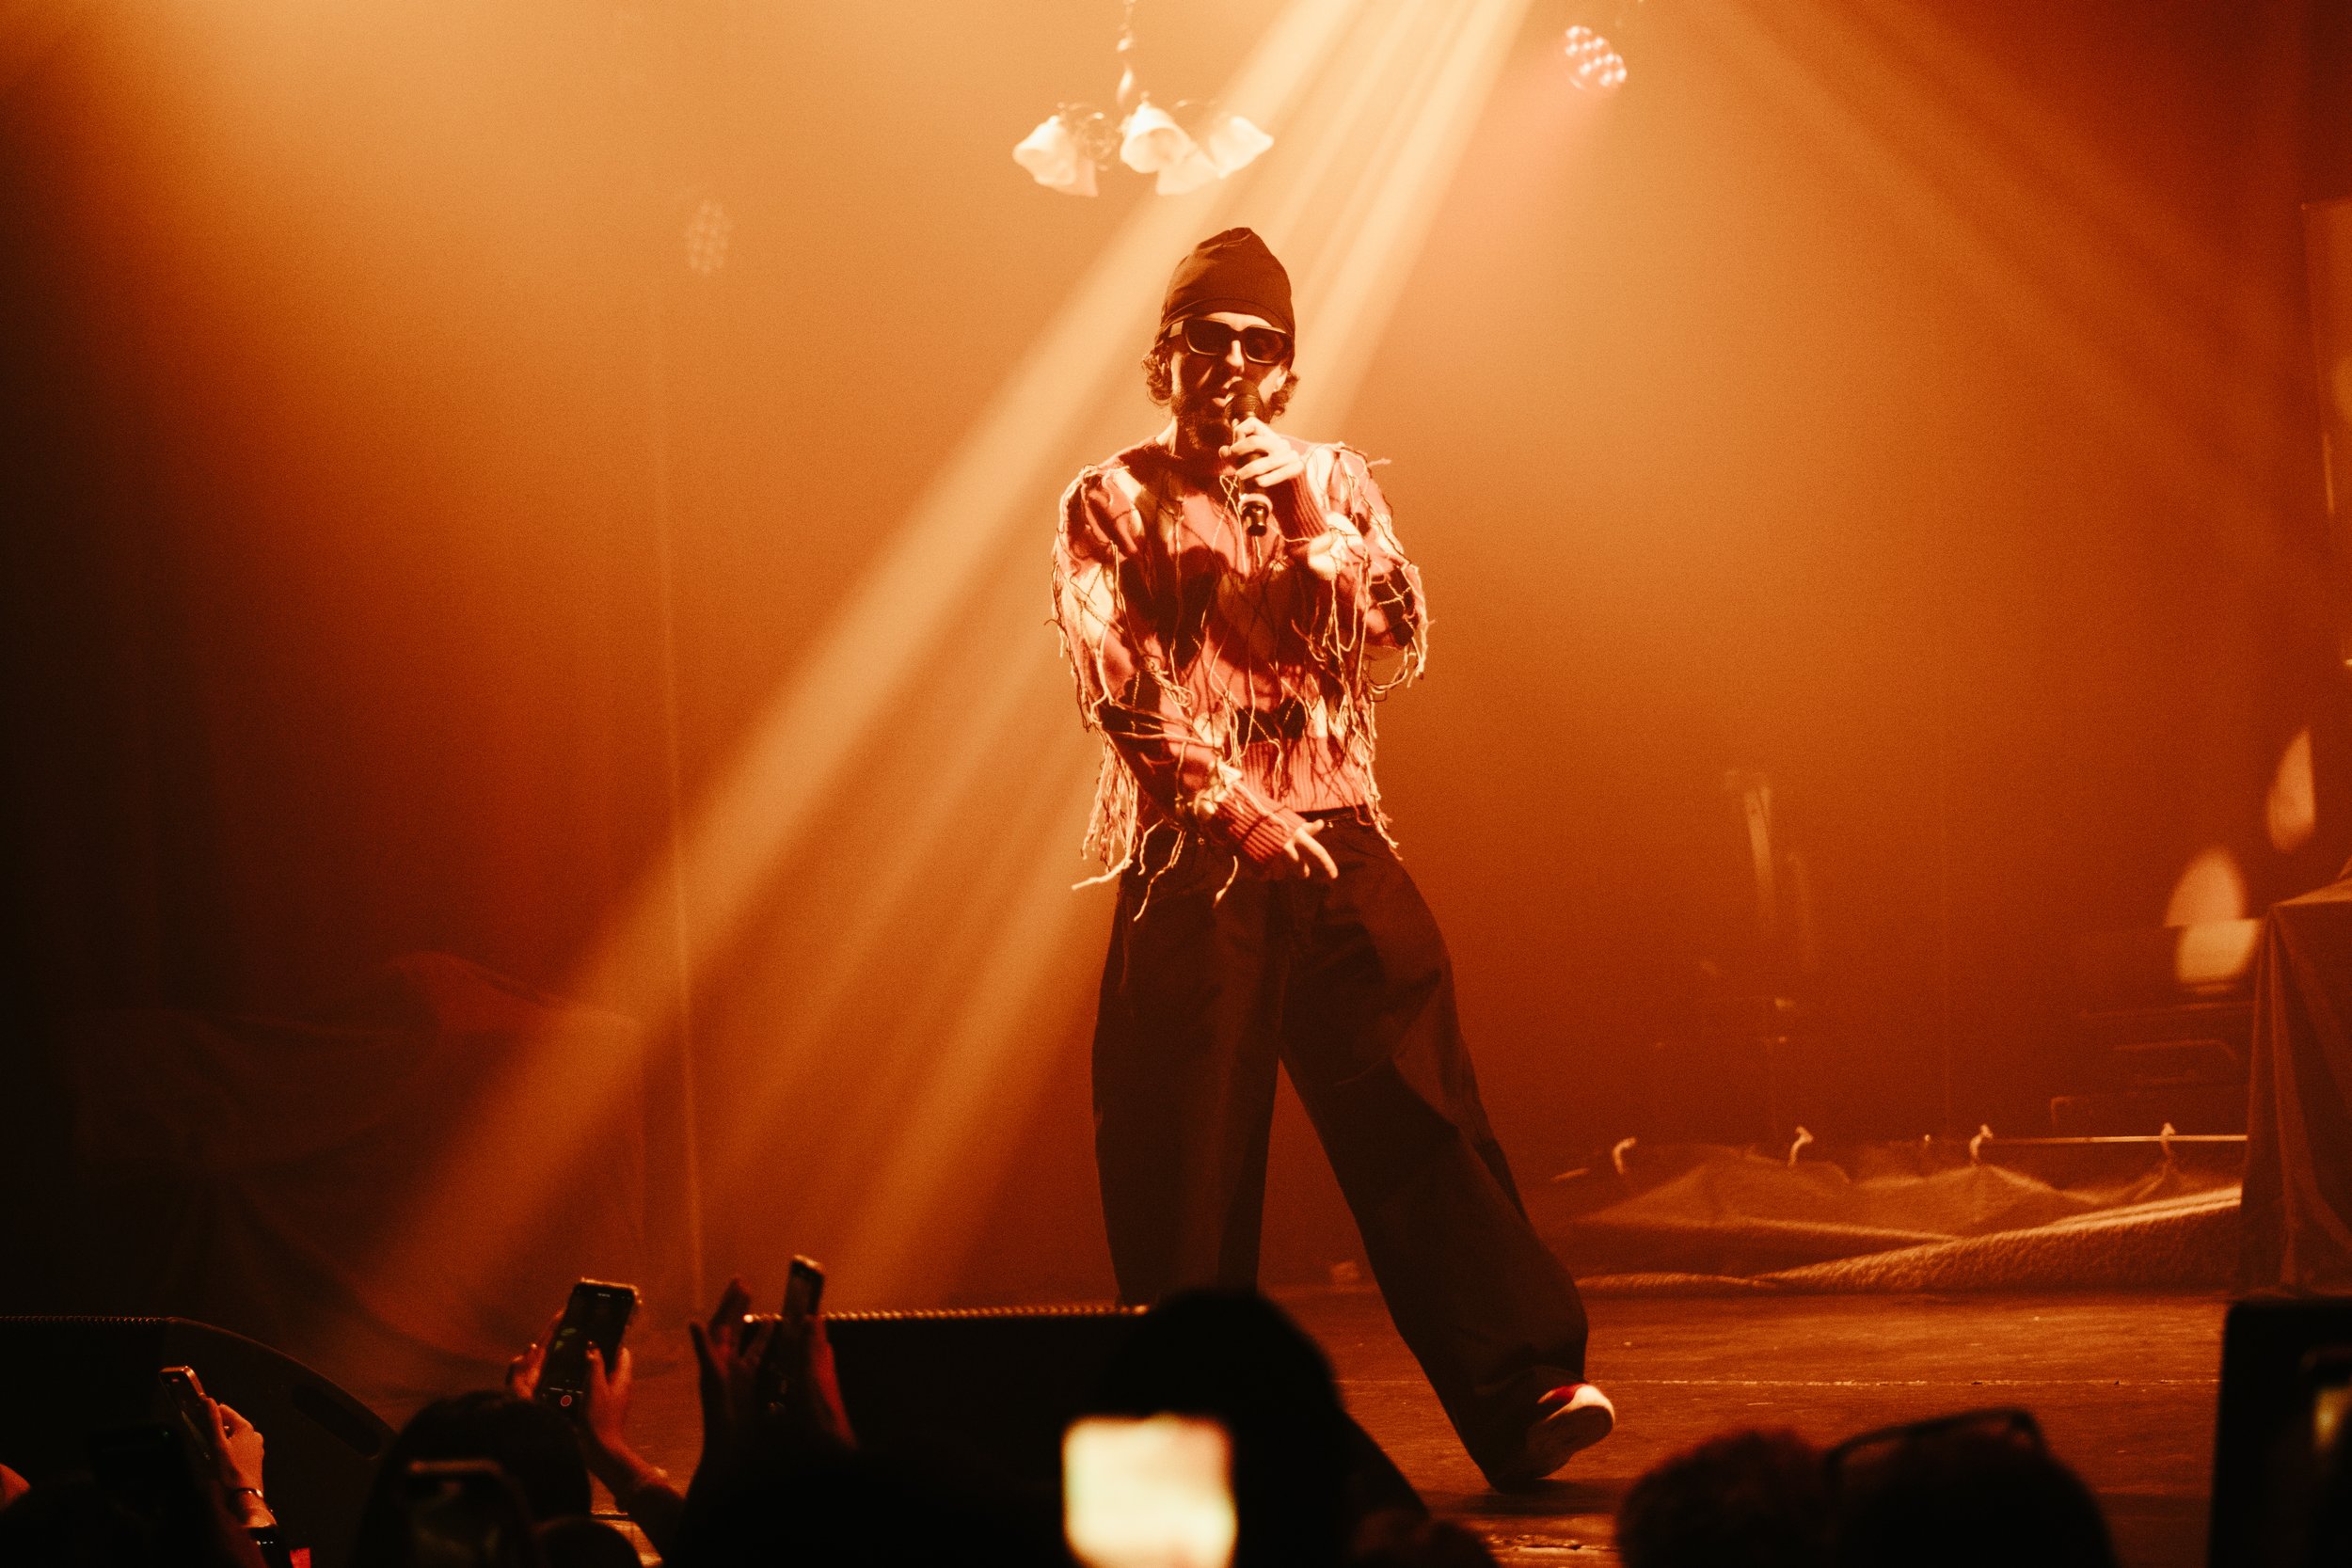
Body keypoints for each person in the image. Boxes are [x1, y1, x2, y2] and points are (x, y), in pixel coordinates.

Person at [1049, 227, 1610, 1490]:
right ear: (1168, 355)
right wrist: (1236, 811)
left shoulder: (1336, 480)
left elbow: (1400, 639)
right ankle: (1186, 1437)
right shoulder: (1112, 499)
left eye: (1261, 346)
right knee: (1182, 1152)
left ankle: (1525, 1386)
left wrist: (1322, 527)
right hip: (1201, 855)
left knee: (1419, 1105)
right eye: (1211, 340)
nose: (1234, 365)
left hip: (1339, 832)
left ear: (1286, 369)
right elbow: (1119, 692)